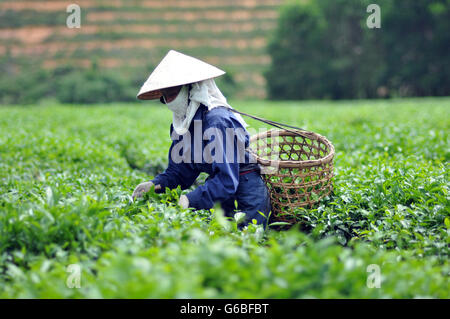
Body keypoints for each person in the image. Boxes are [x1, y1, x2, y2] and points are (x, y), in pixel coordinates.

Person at [132, 50, 271, 228]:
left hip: (246, 195)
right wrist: (154, 185)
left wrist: (190, 199)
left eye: (172, 93)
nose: (168, 101)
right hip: (219, 192)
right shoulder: (184, 124)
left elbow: (227, 180)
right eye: (164, 97)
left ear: (191, 89)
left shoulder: (217, 121)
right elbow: (179, 172)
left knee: (247, 243)